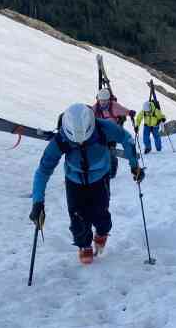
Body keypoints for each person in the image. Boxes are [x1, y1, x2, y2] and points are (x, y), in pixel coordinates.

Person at [29, 103, 145, 265]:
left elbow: (126, 138)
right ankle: (84, 245)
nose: (81, 143)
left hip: (100, 177)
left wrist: (135, 165)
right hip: (74, 181)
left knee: (101, 213)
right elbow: (43, 170)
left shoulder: (103, 128)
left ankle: (102, 233)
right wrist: (37, 202)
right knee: (77, 218)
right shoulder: (61, 138)